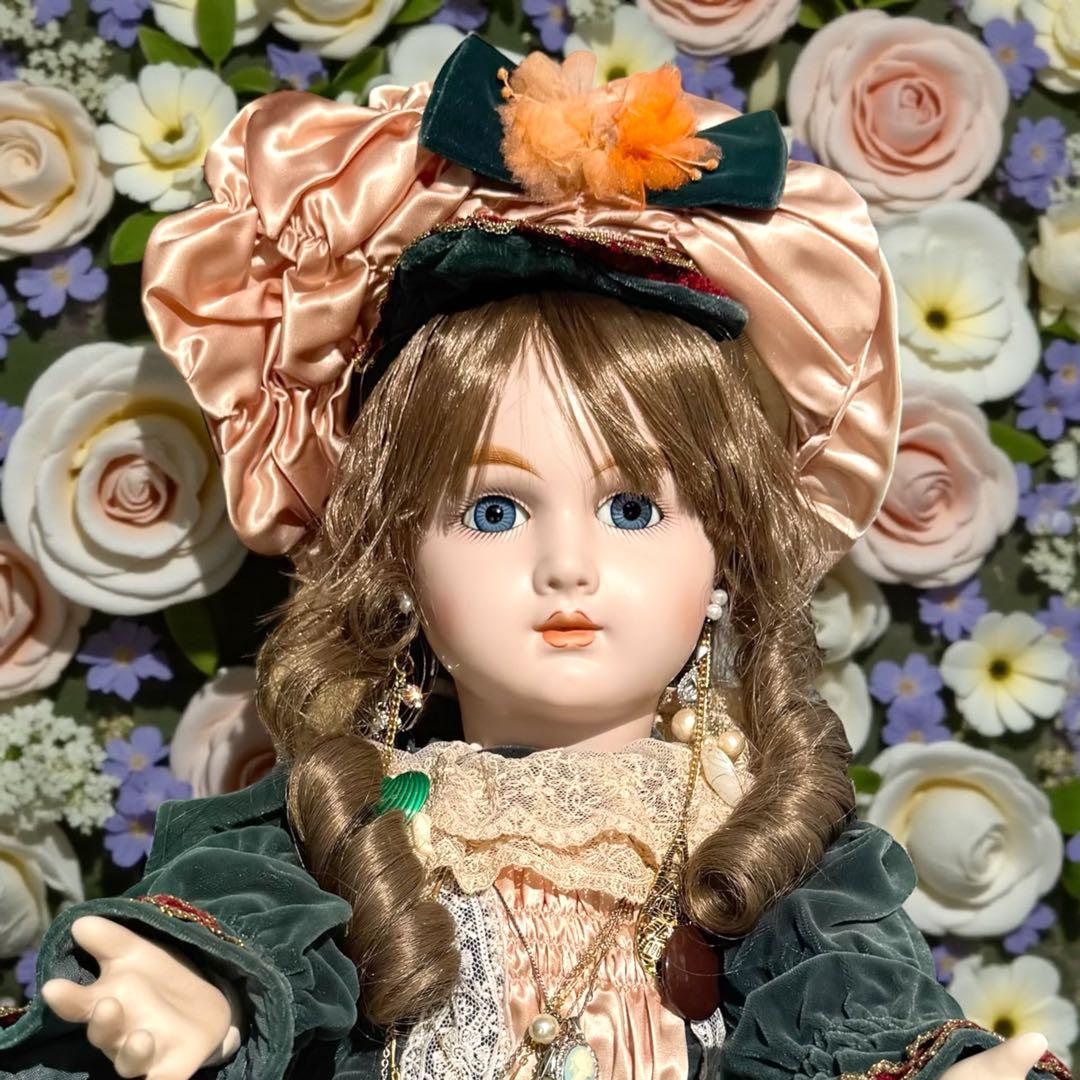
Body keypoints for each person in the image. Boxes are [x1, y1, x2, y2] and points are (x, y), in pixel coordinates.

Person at [0, 35, 1070, 1080]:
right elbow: (246, 929)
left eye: (634, 509)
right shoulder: (356, 828)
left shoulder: (769, 849)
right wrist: (200, 989)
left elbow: (863, 1012)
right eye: (496, 511)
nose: (568, 565)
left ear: (727, 555)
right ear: (398, 561)